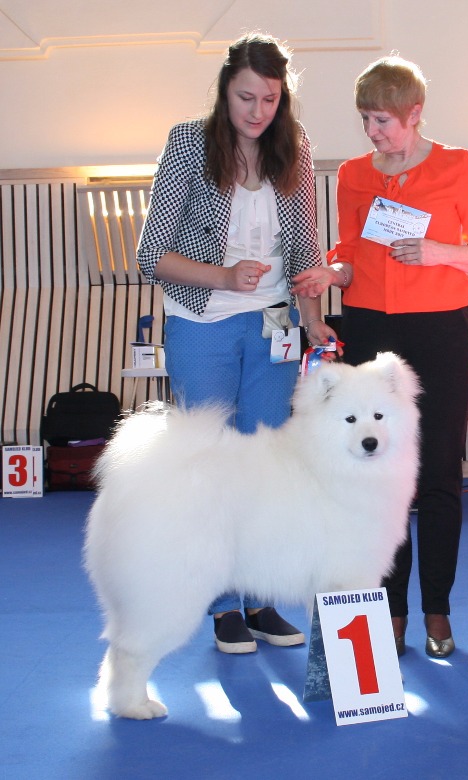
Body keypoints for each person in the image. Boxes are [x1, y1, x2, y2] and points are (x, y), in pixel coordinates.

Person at [292, 55, 468, 658]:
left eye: (382, 120)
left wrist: (439, 251)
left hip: (441, 330)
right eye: (365, 119)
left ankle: (437, 609)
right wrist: (330, 274)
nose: (372, 132)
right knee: (380, 476)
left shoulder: (457, 165)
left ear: (415, 114)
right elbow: (350, 251)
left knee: (437, 472)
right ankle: (390, 611)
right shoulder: (353, 174)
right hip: (369, 328)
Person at [136, 32, 338, 654]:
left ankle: (260, 597)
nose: (257, 111)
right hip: (202, 320)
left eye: (270, 99)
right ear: (225, 90)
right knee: (212, 466)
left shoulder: (295, 148)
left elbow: (304, 246)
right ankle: (222, 605)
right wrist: (222, 277)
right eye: (246, 97)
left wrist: (313, 319)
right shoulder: (187, 144)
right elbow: (150, 255)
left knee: (267, 465)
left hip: (274, 320)